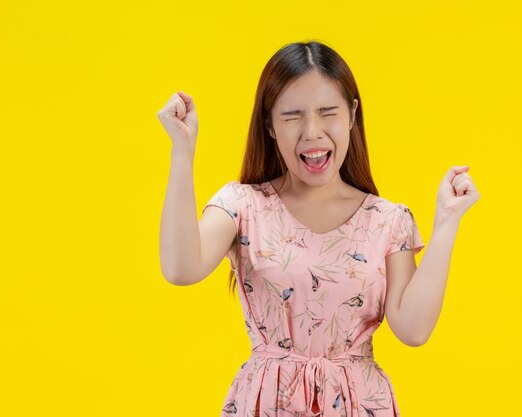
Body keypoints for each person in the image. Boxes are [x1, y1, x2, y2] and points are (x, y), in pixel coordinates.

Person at [157, 40, 479, 417]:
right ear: (270, 124)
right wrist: (182, 149)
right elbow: (180, 268)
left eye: (328, 112)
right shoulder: (243, 205)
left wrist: (446, 223)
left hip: (358, 405)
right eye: (292, 115)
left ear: (352, 115)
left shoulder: (388, 220)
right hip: (266, 403)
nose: (312, 132)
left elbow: (413, 329)